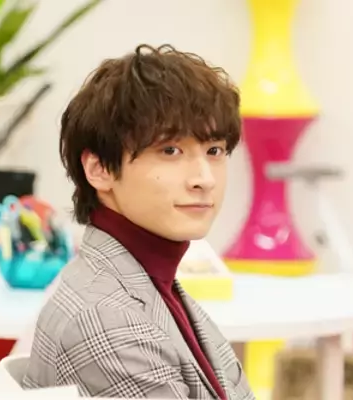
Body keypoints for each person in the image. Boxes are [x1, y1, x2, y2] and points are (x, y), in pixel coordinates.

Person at [22, 44, 254, 400]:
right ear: (99, 169)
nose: (204, 179)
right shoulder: (106, 321)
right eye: (170, 151)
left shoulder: (153, 286)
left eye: (214, 151)